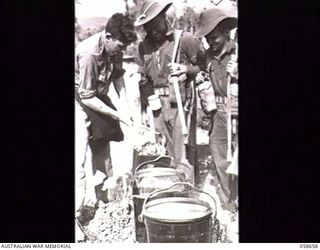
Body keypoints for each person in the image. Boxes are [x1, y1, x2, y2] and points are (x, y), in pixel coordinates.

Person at [74, 13, 137, 236]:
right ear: (108, 36)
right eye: (119, 47)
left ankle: (102, 200)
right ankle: (75, 217)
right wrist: (116, 115)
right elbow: (86, 95)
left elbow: (118, 76)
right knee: (77, 159)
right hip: (78, 99)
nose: (121, 52)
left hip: (97, 96)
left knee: (103, 147)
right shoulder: (88, 53)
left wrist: (126, 108)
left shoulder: (115, 48)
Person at [134, 0, 206, 182]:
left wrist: (186, 69)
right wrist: (148, 102)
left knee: (184, 151)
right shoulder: (143, 46)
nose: (151, 30)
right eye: (147, 26)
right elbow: (143, 78)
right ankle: (172, 190)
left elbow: (204, 66)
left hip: (181, 103)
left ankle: (188, 193)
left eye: (154, 23)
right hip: (157, 105)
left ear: (163, 17)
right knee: (167, 151)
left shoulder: (184, 39)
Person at [194, 8, 238, 211]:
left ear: (226, 33)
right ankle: (228, 201)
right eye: (207, 39)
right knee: (220, 159)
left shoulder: (237, 54)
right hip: (217, 115)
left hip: (236, 114)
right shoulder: (207, 57)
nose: (210, 43)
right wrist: (200, 78)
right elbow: (199, 73)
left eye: (214, 38)